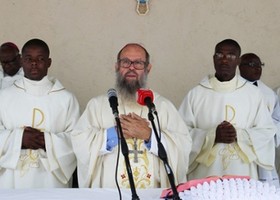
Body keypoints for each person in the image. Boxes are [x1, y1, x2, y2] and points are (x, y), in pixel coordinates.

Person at [71, 43, 192, 188]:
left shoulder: (163, 106)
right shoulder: (98, 105)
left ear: (148, 68)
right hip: (110, 194)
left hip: (152, 195)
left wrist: (149, 135)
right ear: (117, 66)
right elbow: (80, 143)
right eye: (126, 62)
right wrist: (114, 134)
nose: (131, 68)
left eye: (138, 63)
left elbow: (183, 147)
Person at [179, 39, 276, 181]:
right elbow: (180, 134)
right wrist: (211, 135)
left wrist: (239, 135)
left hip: (242, 171)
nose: (224, 60)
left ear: (238, 61)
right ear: (213, 59)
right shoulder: (196, 94)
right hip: (205, 174)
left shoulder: (253, 94)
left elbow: (267, 131)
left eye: (230, 55)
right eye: (219, 55)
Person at [0, 38, 80, 188]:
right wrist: (19, 139)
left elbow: (77, 139)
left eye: (40, 59)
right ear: (22, 62)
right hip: (11, 179)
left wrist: (46, 141)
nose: (34, 64)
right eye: (29, 59)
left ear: (49, 62)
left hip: (50, 180)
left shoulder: (66, 99)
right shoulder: (4, 97)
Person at [239, 53, 280, 187]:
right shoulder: (234, 89)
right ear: (240, 66)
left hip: (263, 145)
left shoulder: (268, 92)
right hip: (241, 144)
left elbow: (276, 118)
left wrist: (266, 131)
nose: (258, 68)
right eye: (252, 65)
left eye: (260, 65)